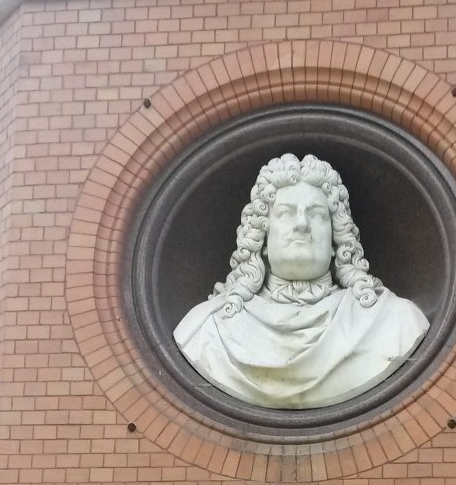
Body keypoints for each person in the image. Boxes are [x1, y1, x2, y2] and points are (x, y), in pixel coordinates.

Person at [173, 153, 429, 409]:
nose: (302, 224)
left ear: (336, 240)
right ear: (263, 236)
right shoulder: (207, 331)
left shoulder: (394, 321)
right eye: (286, 213)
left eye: (317, 215)